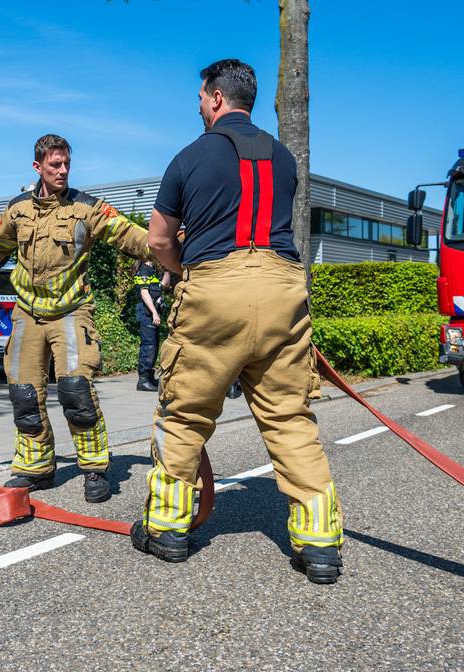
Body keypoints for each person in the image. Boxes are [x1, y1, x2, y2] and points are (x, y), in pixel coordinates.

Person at [130, 59, 344, 583]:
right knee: (290, 420)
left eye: (202, 98)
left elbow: (159, 240)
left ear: (218, 98)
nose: (200, 106)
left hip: (214, 290)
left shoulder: (189, 155)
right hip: (281, 289)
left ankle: (168, 530)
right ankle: (320, 545)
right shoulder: (285, 157)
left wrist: (184, 274)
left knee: (184, 417)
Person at [0, 134, 152, 503]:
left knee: (76, 390)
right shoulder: (18, 210)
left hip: (71, 310)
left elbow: (130, 237)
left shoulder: (88, 209)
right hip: (28, 313)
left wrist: (173, 246)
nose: (63, 170)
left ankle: (95, 469)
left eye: (67, 163)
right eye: (55, 165)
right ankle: (36, 468)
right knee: (23, 393)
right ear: (38, 167)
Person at [133, 260, 163, 391]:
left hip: (152, 313)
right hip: (147, 313)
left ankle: (150, 377)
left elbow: (165, 285)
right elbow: (144, 293)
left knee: (154, 345)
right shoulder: (144, 270)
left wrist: (166, 270)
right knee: (148, 346)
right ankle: (143, 380)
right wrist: (154, 312)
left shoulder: (152, 270)